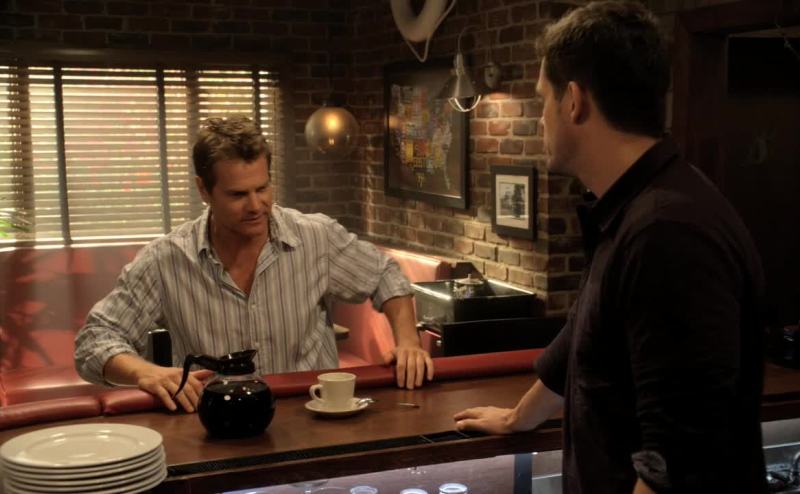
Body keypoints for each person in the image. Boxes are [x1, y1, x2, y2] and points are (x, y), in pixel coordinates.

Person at [453, 2, 767, 493]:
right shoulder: (636, 208)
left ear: (574, 101)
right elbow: (586, 336)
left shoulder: (666, 231)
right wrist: (519, 416)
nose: (541, 119)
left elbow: (678, 463)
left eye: (543, 100)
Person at [75, 115, 434, 413]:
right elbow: (94, 340)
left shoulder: (317, 238)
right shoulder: (166, 259)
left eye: (262, 188)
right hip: (217, 423)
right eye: (237, 194)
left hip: (310, 418)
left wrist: (408, 342)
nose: (255, 206)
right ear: (204, 190)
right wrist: (145, 373)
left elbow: (385, 275)